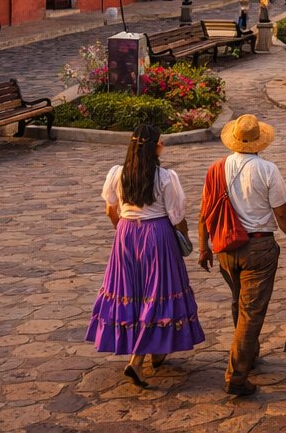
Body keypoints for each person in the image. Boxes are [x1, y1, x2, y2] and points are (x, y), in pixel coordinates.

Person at [86, 124, 206, 387]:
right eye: (161, 142)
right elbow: (177, 217)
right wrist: (183, 241)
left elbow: (110, 209)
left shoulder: (118, 174)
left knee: (134, 293)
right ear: (155, 147)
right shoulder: (165, 177)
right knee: (156, 294)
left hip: (125, 233)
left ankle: (157, 350)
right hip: (157, 236)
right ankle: (137, 361)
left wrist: (123, 231)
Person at [198, 114, 286, 398]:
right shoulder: (267, 170)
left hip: (226, 248)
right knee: (251, 312)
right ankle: (237, 375)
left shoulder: (216, 168)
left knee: (238, 300)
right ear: (259, 141)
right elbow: (281, 212)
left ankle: (249, 353)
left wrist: (204, 247)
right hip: (258, 247)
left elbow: (204, 212)